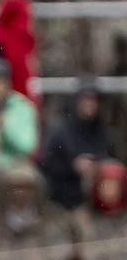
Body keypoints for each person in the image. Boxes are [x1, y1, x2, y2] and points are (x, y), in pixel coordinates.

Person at [39, 82, 115, 210]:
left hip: (97, 194)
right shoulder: (59, 130)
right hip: (63, 193)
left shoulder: (103, 131)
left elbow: (112, 160)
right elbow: (46, 162)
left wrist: (96, 166)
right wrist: (73, 166)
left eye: (93, 100)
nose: (89, 105)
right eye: (85, 100)